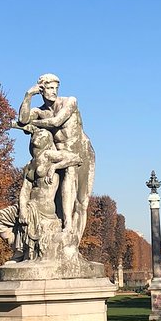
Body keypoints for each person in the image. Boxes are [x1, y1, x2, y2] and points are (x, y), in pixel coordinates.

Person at [16, 74, 95, 243]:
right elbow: (22, 119)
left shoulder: (69, 101)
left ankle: (74, 242)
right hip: (59, 154)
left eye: (55, 88)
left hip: (81, 151)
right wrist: (28, 95)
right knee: (59, 202)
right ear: (41, 89)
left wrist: (32, 124)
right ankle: (66, 230)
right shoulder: (39, 111)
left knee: (81, 203)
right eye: (49, 88)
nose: (53, 92)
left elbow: (56, 122)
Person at [0, 127, 81, 261]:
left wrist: (54, 167)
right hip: (28, 205)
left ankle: (20, 250)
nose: (36, 136)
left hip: (43, 208)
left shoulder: (49, 155)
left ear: (46, 140)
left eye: (40, 134)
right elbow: (24, 190)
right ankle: (17, 247)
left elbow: (76, 158)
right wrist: (22, 209)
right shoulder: (29, 165)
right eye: (36, 134)